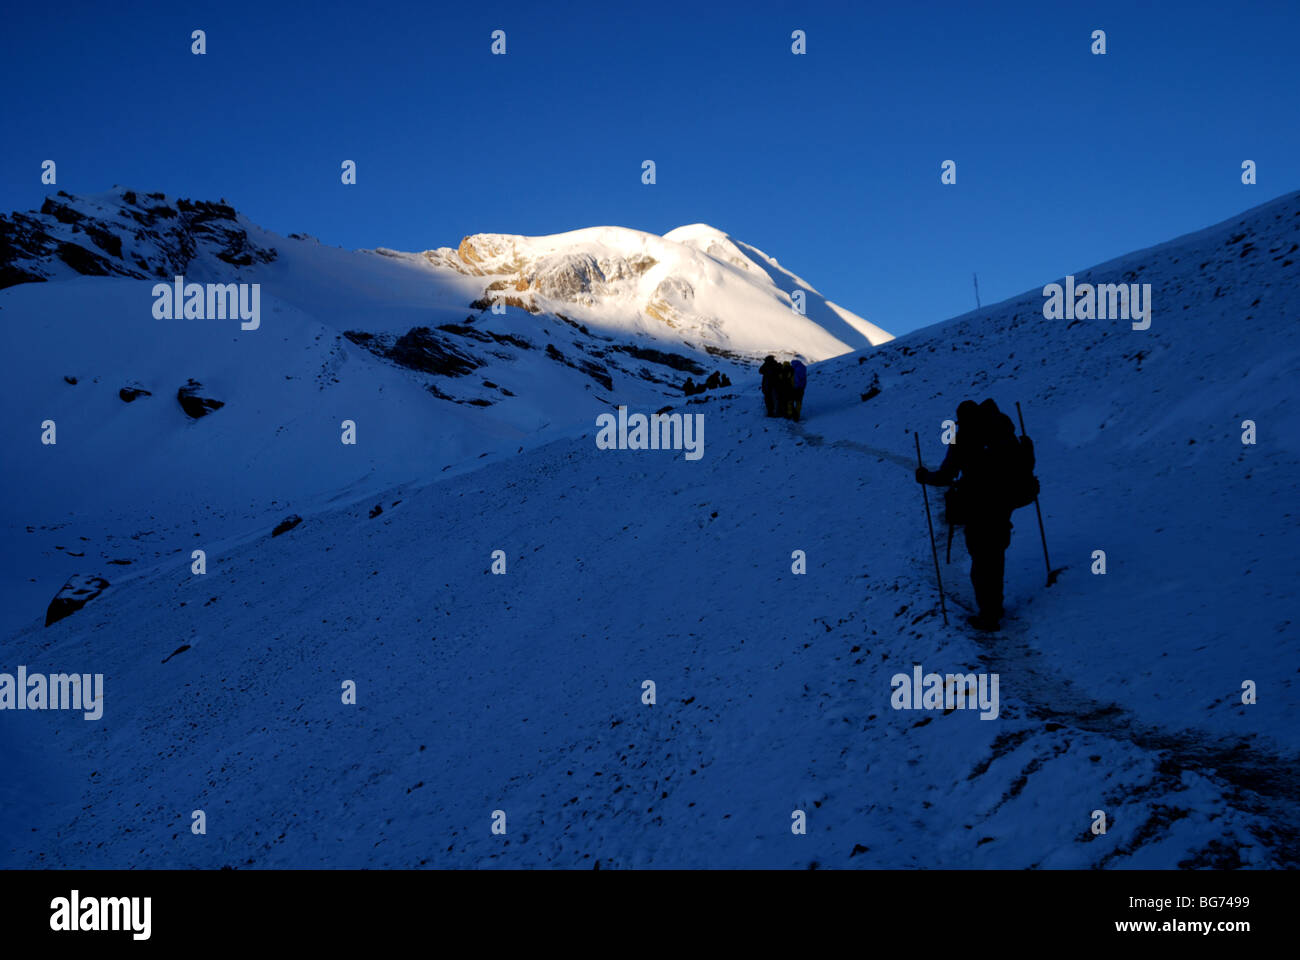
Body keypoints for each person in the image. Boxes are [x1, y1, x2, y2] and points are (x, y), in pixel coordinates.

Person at [915, 399, 1018, 631]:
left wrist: (924, 477)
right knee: (996, 555)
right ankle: (995, 607)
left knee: (981, 562)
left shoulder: (962, 438)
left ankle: (988, 616)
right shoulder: (1002, 430)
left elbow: (945, 475)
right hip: (1004, 502)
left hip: (978, 506)